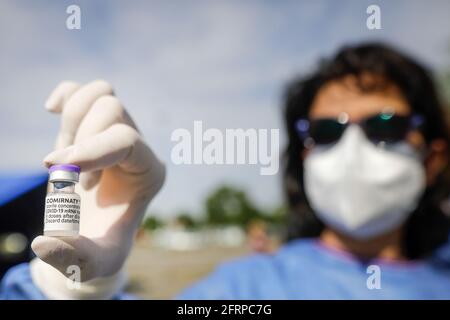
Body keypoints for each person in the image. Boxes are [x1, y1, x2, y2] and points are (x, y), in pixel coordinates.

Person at [1, 42, 450, 299]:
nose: (353, 149)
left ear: (433, 158)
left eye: (385, 126)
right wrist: (76, 292)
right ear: (304, 155)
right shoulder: (248, 290)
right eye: (327, 131)